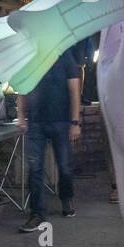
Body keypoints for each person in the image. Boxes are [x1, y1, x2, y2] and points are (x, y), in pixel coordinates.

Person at [17, 45, 83, 232]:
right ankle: (37, 213)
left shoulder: (63, 56)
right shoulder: (29, 58)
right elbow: (22, 87)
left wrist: (75, 122)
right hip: (36, 121)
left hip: (61, 120)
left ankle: (66, 197)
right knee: (35, 168)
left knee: (64, 166)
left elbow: (74, 89)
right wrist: (21, 115)